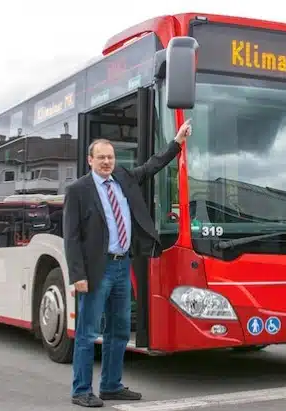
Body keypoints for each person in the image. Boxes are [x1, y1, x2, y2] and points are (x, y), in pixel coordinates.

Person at [63, 118, 192, 407]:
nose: (107, 162)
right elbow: (70, 238)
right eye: (101, 158)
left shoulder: (122, 177)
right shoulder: (78, 191)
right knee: (87, 332)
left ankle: (111, 385)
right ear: (90, 160)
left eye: (110, 157)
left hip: (123, 266)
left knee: (120, 329)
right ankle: (81, 390)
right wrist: (77, 276)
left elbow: (152, 166)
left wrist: (177, 142)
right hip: (97, 270)